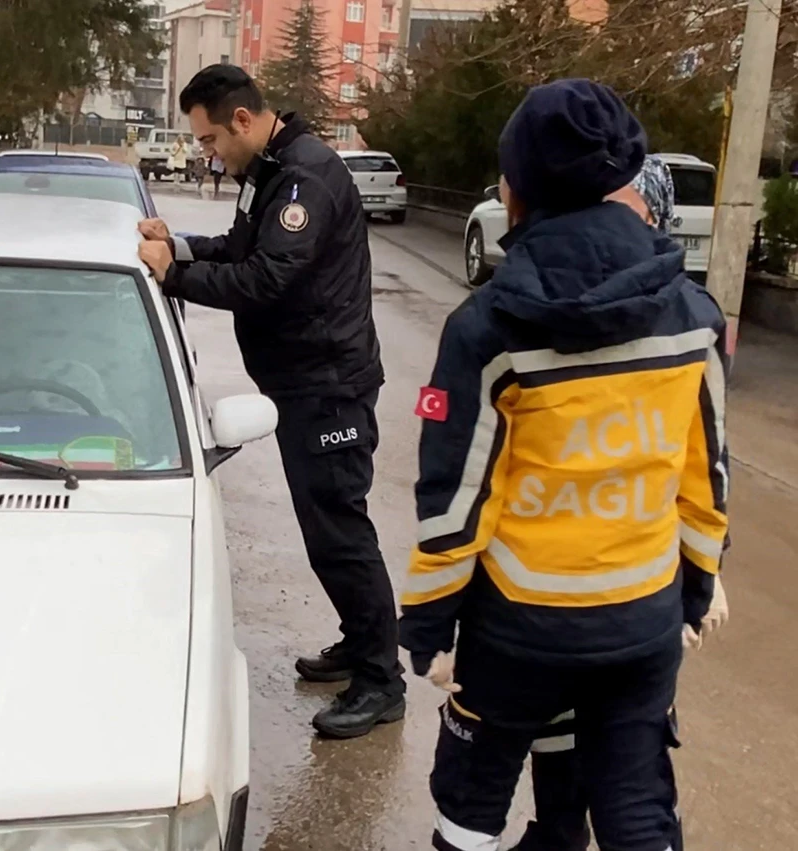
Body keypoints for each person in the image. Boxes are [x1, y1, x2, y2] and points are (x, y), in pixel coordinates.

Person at [400, 79, 728, 851]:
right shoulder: (693, 316)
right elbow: (705, 477)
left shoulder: (487, 328)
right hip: (642, 617)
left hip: (520, 628)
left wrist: (427, 622)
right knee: (636, 802)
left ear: (519, 188)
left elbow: (457, 502)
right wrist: (696, 588)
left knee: (472, 798)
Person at [136, 64, 405, 738]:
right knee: (326, 532)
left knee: (340, 533)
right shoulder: (270, 170)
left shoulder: (303, 179)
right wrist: (186, 245)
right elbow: (242, 245)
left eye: (208, 140)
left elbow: (266, 278)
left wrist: (178, 276)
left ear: (243, 122)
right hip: (301, 381)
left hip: (330, 385)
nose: (207, 153)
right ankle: (359, 641)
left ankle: (381, 680)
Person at [511, 154, 732, 851]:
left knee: (629, 764)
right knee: (555, 726)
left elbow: (705, 459)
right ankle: (554, 831)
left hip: (641, 579)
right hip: (555, 577)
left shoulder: (686, 316)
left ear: (654, 219)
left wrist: (708, 568)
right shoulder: (547, 300)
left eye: (625, 208)